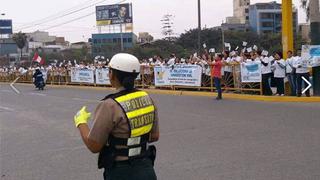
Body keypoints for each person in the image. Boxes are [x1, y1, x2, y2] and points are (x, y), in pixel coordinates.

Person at [74, 53, 159, 180]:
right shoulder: (147, 98)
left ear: (112, 75)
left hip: (121, 172)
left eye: (109, 71)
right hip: (146, 169)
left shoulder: (110, 105)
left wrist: (81, 122)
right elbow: (154, 136)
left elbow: (94, 146)